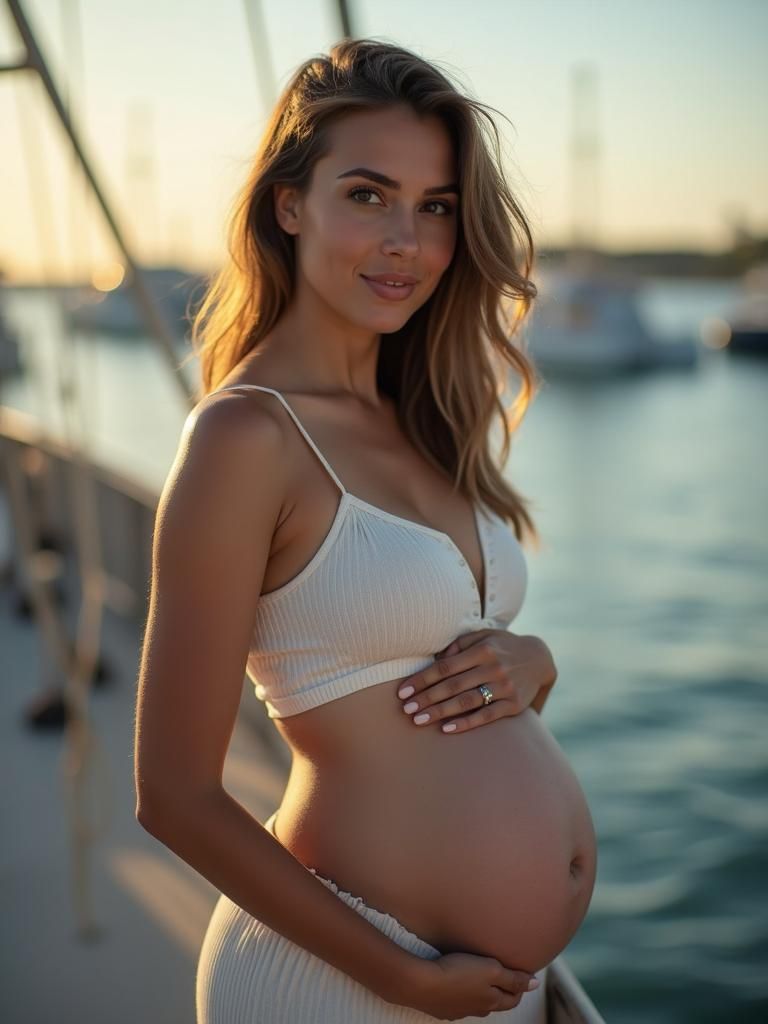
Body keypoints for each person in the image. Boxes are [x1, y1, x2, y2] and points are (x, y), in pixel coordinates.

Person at [134, 37, 597, 1023]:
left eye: (434, 208)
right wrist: (406, 978)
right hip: (344, 981)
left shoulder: (424, 414)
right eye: (368, 195)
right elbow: (172, 794)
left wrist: (534, 663)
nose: (407, 241)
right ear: (289, 203)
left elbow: (444, 687)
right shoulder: (245, 436)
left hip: (484, 989)